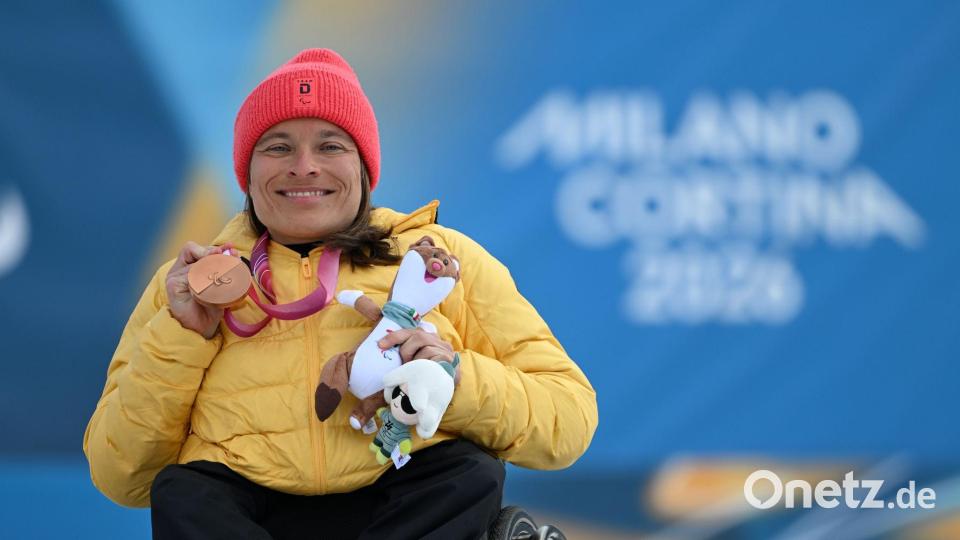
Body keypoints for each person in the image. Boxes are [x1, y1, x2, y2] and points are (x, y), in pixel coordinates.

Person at [83, 48, 598, 540]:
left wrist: (454, 380)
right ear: (248, 171)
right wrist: (182, 338)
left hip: (396, 500)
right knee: (184, 493)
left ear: (363, 168)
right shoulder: (195, 281)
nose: (304, 166)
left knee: (467, 472)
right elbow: (122, 475)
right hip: (255, 519)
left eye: (330, 145)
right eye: (278, 146)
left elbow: (568, 420)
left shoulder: (438, 260)